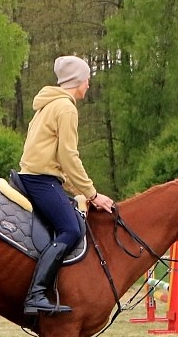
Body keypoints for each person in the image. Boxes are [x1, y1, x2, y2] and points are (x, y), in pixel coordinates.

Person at [17, 55, 115, 315]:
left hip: (33, 176)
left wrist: (78, 190)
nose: (88, 86)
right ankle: (36, 294)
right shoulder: (66, 108)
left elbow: (59, 159)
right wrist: (92, 194)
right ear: (78, 81)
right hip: (41, 180)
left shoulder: (47, 105)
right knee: (71, 229)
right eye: (87, 81)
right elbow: (69, 157)